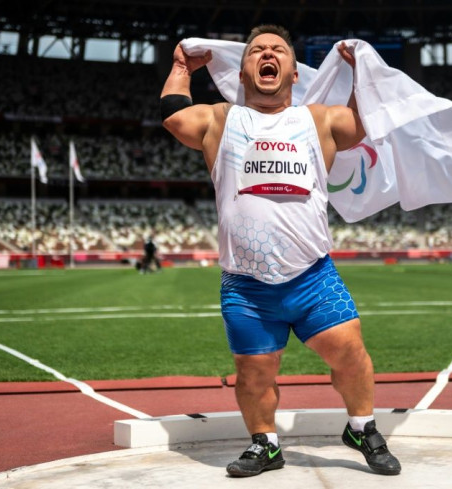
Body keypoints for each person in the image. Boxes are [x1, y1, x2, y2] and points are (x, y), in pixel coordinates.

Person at [160, 25, 400, 477]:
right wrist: (179, 68)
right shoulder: (220, 119)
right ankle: (265, 444)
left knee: (350, 354)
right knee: (254, 372)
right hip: (246, 285)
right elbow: (174, 116)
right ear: (243, 69)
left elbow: (362, 121)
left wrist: (360, 73)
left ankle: (362, 427)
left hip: (311, 276)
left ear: (293, 72)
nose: (267, 55)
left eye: (278, 51)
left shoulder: (317, 120)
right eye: (256, 51)